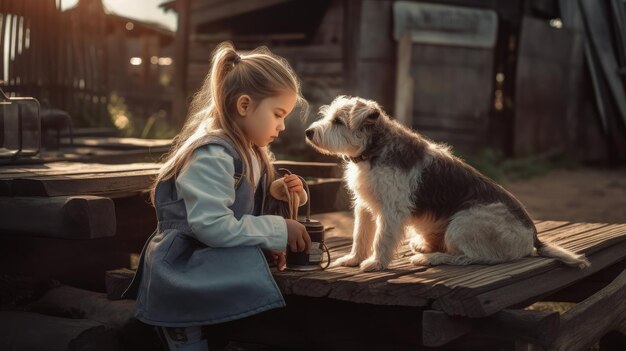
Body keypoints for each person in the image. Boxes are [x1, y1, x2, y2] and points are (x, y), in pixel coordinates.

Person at [122, 41, 312, 351]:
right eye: (278, 114)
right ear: (245, 105)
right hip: (185, 265)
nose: (282, 126)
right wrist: (277, 229)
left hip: (213, 256)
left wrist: (279, 193)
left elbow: (243, 204)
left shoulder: (252, 151)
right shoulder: (213, 154)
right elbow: (212, 225)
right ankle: (179, 330)